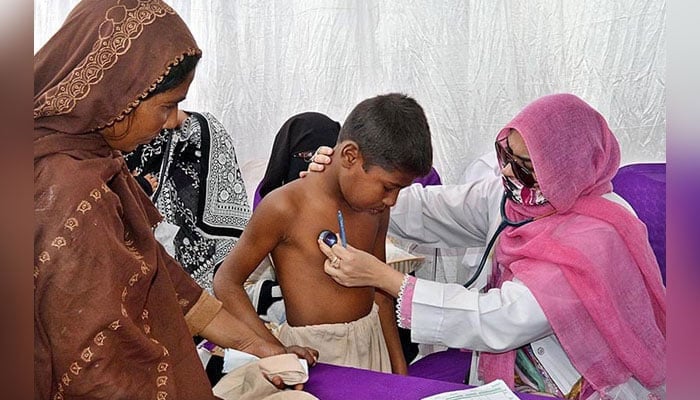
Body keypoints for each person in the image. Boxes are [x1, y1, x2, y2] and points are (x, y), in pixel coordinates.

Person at [34, 1, 316, 399]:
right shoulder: (71, 187)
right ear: (116, 97)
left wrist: (260, 346)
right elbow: (91, 363)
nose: (173, 121)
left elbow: (165, 278)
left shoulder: (88, 158)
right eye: (168, 105)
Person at [315, 93, 666, 399]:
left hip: (576, 380)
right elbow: (430, 209)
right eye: (505, 155)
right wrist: (348, 184)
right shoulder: (515, 200)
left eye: (526, 167)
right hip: (510, 366)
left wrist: (388, 279)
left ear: (566, 169)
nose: (509, 174)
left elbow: (502, 319)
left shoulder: (597, 236)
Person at [213, 93, 434, 375]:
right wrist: (274, 351)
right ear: (350, 156)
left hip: (372, 346)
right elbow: (227, 282)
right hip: (314, 358)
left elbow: (381, 292)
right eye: (389, 187)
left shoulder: (375, 208)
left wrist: (399, 370)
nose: (392, 200)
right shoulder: (284, 207)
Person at [124, 109, 252, 294]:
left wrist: (169, 112)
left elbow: (212, 138)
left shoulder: (184, 137)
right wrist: (135, 186)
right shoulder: (102, 144)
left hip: (193, 265)